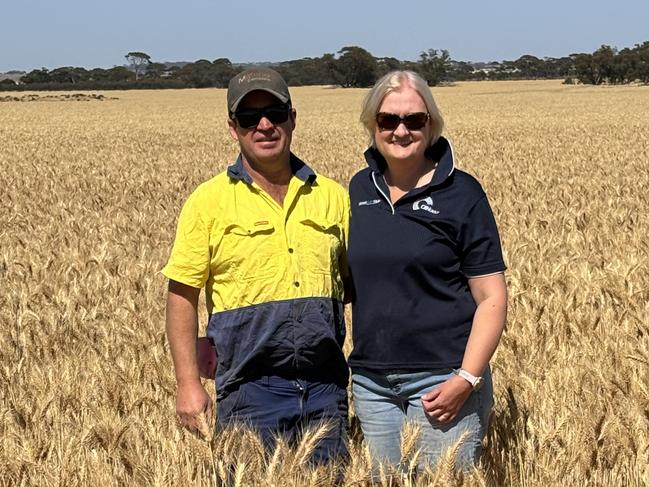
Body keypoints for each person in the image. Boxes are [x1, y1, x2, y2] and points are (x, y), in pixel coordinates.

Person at [162, 68, 350, 463]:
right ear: (233, 128)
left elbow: (361, 287)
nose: (264, 125)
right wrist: (187, 384)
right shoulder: (208, 201)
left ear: (292, 118)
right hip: (249, 392)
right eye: (249, 117)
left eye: (275, 113)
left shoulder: (333, 197)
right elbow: (182, 295)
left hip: (326, 390)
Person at [347, 70, 508, 471]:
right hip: (372, 384)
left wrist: (466, 379)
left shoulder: (462, 193)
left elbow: (492, 297)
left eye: (414, 120)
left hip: (441, 379)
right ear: (373, 125)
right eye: (388, 120)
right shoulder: (358, 190)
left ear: (431, 124)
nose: (401, 130)